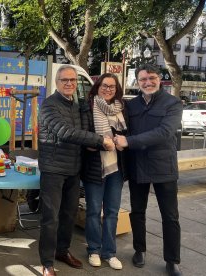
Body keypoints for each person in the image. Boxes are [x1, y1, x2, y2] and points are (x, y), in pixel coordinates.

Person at [38, 65, 115, 276]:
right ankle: (47, 263)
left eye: (73, 80)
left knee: (69, 215)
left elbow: (83, 130)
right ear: (57, 83)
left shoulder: (76, 105)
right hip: (53, 169)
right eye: (65, 80)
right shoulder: (49, 106)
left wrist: (99, 141)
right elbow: (66, 132)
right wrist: (101, 141)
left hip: (73, 168)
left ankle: (62, 251)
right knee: (50, 218)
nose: (70, 83)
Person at [114, 64, 183, 276]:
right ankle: (139, 250)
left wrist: (128, 141)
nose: (147, 82)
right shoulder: (131, 105)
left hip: (163, 166)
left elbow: (164, 132)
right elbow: (119, 126)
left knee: (170, 216)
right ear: (137, 81)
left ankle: (172, 260)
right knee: (138, 211)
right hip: (138, 165)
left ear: (159, 79)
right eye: (143, 79)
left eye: (151, 78)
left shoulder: (173, 103)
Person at [80, 73, 127, 270]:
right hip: (95, 166)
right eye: (104, 85)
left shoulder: (121, 108)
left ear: (117, 89)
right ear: (97, 86)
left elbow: (127, 134)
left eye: (112, 86)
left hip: (116, 167)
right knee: (93, 210)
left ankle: (109, 252)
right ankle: (93, 249)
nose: (108, 89)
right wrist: (101, 143)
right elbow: (83, 135)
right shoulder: (88, 106)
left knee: (112, 211)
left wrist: (121, 141)